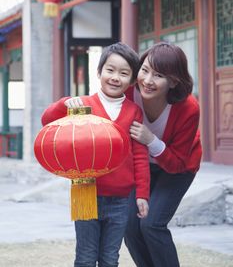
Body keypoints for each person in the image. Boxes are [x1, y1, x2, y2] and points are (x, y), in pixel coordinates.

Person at [41, 42, 150, 267]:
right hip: (85, 193)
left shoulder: (134, 111)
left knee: (110, 258)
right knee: (85, 257)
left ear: (132, 80)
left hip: (121, 199)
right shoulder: (82, 105)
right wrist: (64, 105)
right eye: (110, 70)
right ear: (99, 72)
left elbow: (140, 155)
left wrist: (142, 194)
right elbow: (47, 121)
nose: (115, 77)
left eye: (124, 73)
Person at [124, 42, 202, 267]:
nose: (147, 81)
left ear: (174, 81)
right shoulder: (129, 92)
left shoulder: (188, 108)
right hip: (140, 166)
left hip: (178, 168)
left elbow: (177, 163)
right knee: (129, 226)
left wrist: (151, 140)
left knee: (151, 224)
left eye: (158, 75)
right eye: (145, 70)